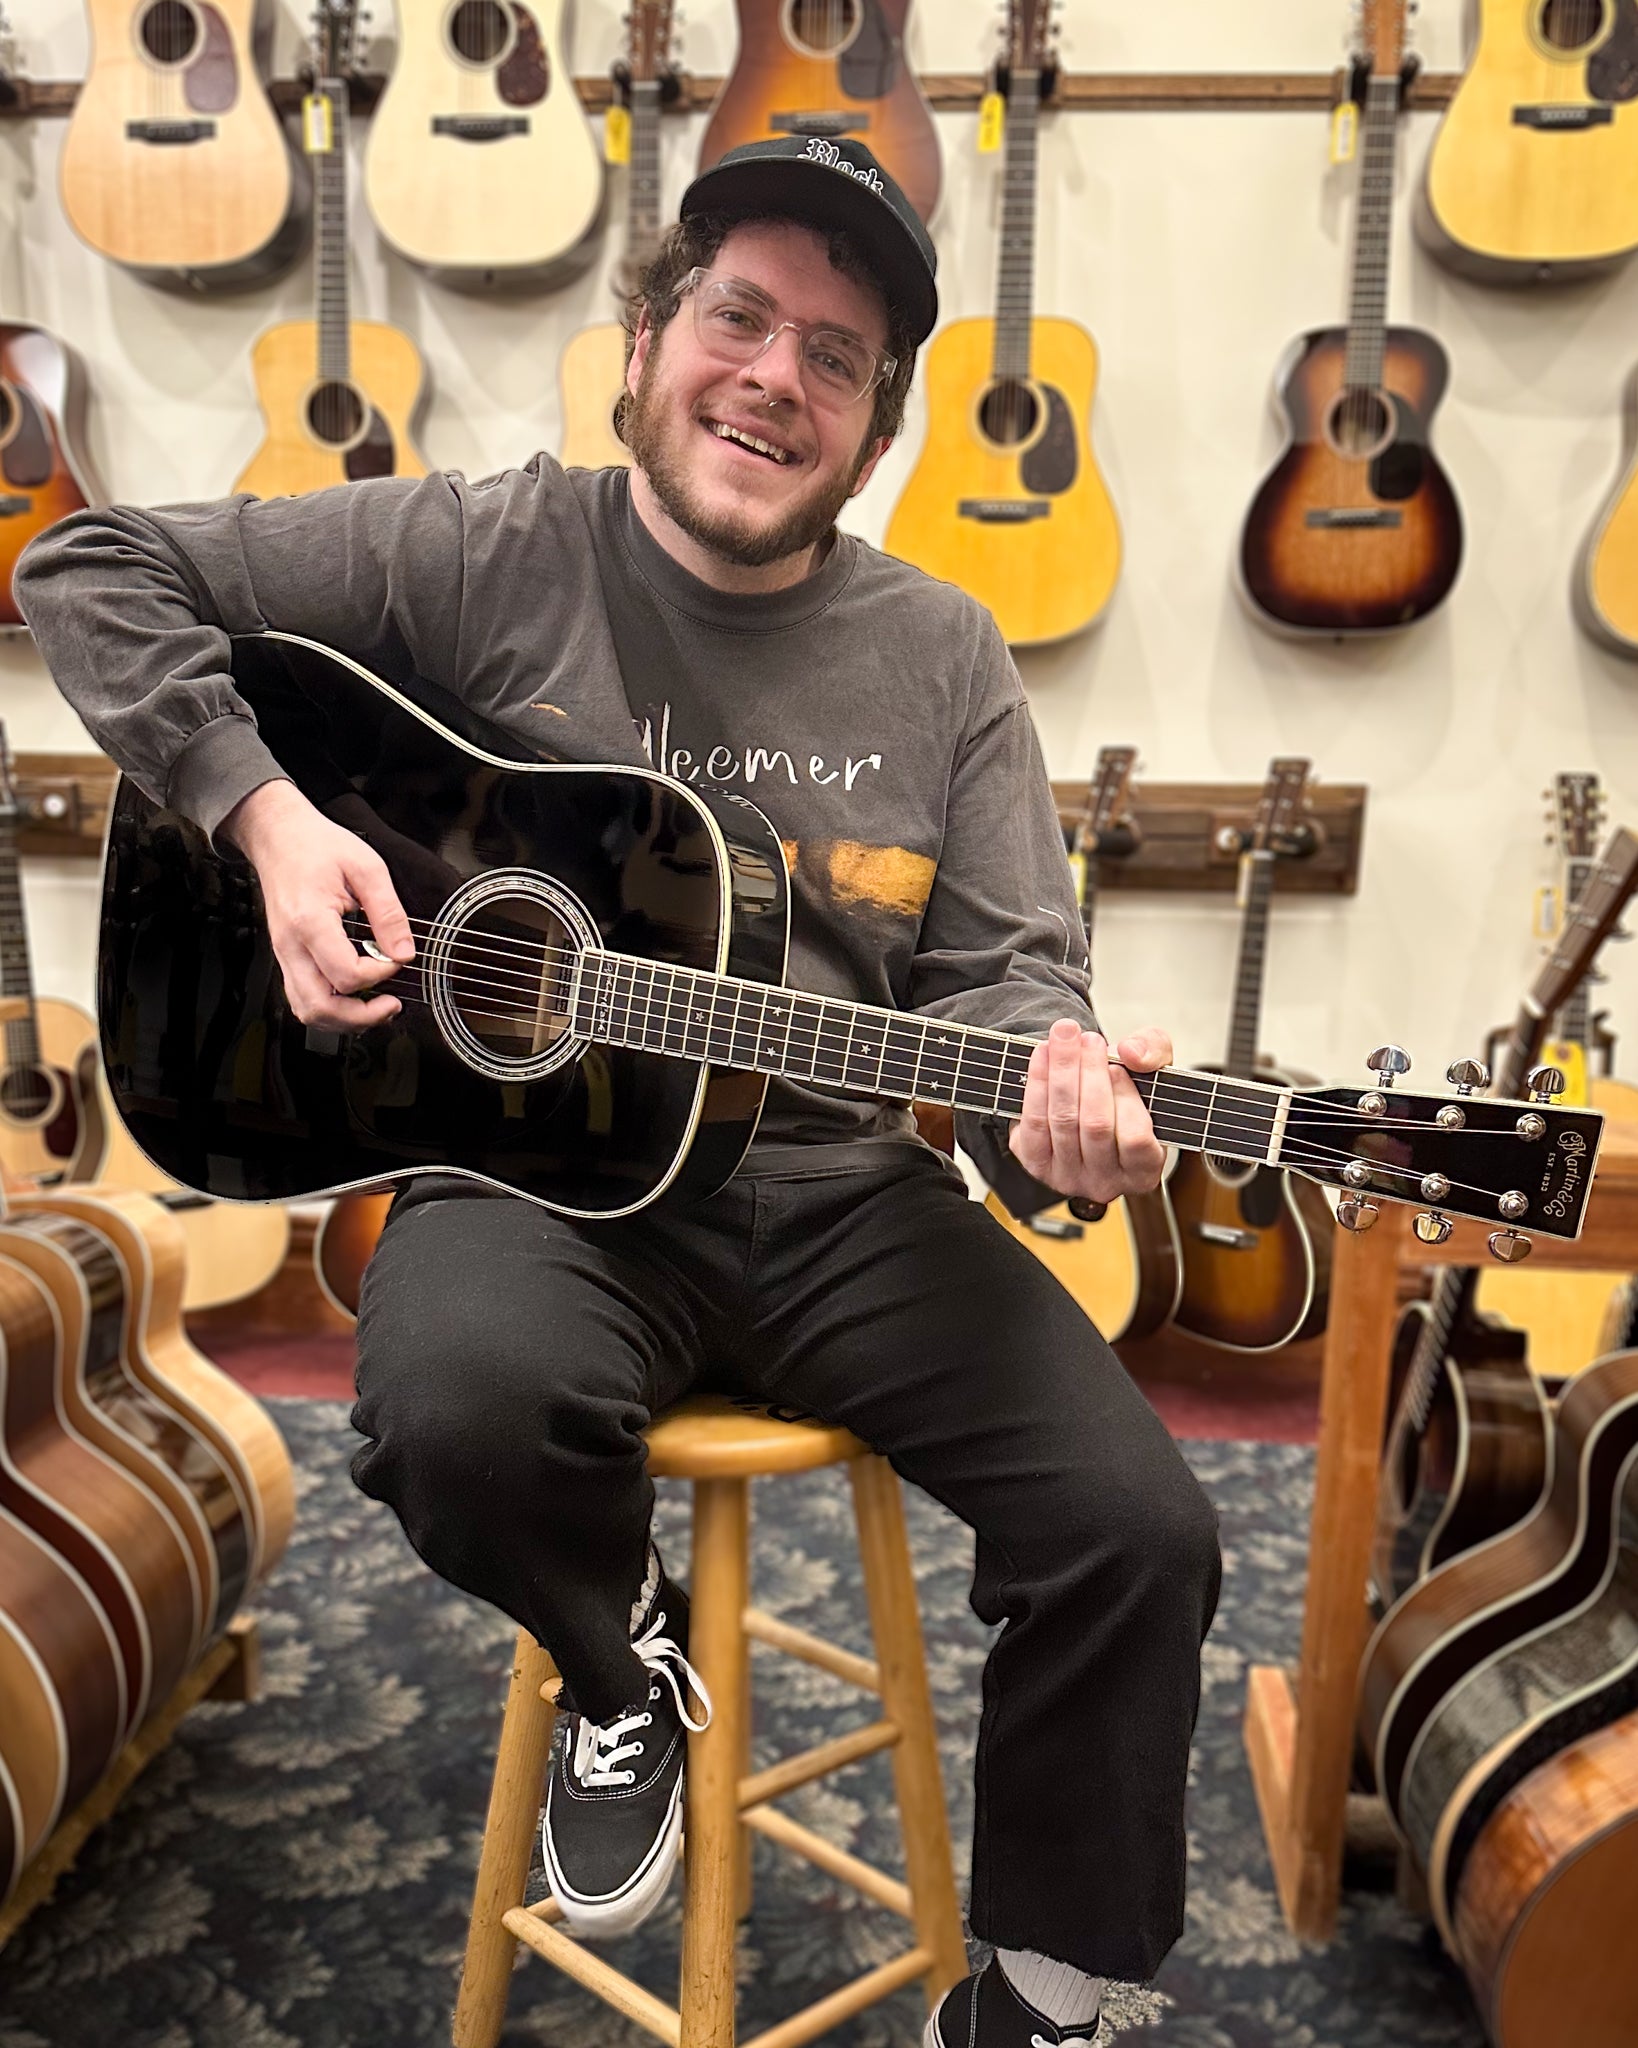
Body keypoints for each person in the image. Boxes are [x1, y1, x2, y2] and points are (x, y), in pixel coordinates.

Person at [20, 138, 1221, 2046]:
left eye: (835, 358)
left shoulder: (943, 652)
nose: (773, 376)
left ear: (878, 427)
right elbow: (88, 560)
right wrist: (261, 813)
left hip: (840, 1185)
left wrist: (1055, 1110)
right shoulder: (489, 543)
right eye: (736, 317)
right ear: (644, 338)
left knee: (1140, 1529)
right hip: (531, 1170)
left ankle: (1048, 1985)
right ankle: (617, 1663)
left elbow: (1008, 982)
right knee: (452, 1415)